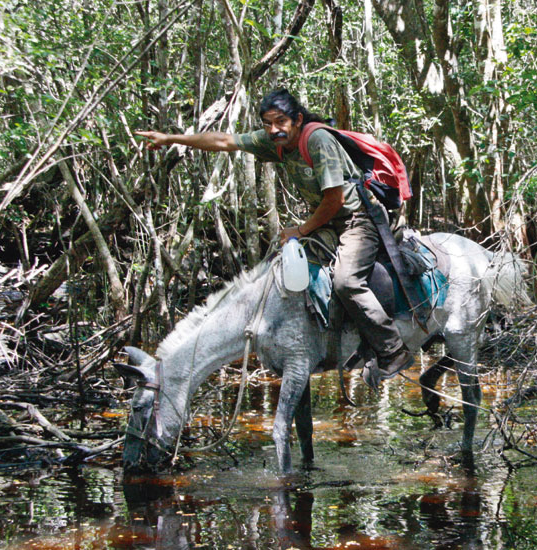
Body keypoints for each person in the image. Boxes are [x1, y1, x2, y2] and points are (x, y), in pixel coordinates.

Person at [135, 89, 415, 379]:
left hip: (358, 220)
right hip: (327, 222)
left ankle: (392, 349)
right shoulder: (275, 141)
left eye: (280, 122)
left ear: (297, 120)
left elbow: (335, 200)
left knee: (346, 282)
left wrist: (301, 230)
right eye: (267, 123)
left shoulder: (318, 140)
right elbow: (224, 140)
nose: (273, 130)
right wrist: (171, 139)